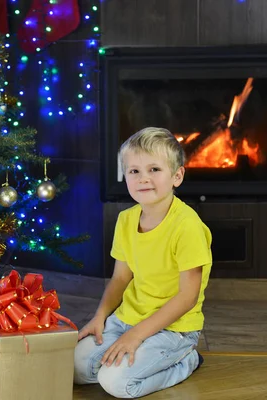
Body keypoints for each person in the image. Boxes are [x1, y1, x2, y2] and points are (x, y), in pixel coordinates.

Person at [74, 127, 213, 398]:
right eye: (134, 171)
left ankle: (187, 361)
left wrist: (137, 336)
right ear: (125, 176)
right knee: (77, 369)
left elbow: (187, 297)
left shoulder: (188, 226)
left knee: (116, 383)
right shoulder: (126, 220)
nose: (143, 179)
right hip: (128, 318)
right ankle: (133, 352)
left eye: (154, 170)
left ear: (177, 176)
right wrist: (100, 316)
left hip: (174, 329)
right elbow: (120, 279)